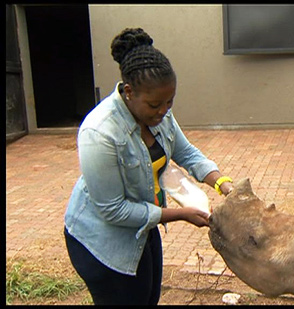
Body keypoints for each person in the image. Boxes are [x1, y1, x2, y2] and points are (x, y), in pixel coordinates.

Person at [63, 28, 234, 305]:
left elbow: (186, 152)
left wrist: (222, 184)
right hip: (102, 241)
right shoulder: (99, 132)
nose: (164, 111)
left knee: (148, 296)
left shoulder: (159, 114)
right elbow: (112, 209)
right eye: (155, 104)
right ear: (129, 92)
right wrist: (180, 214)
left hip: (143, 226)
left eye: (170, 102)